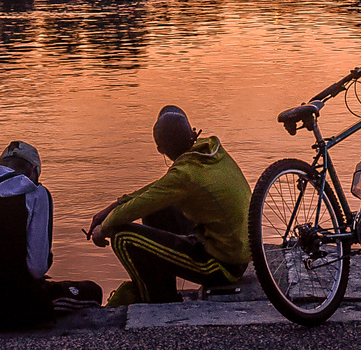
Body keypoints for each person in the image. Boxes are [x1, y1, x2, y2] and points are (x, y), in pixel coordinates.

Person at [89, 106, 252, 307]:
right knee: (158, 207)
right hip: (237, 252)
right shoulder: (209, 151)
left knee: (122, 236)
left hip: (223, 266)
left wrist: (103, 228)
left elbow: (137, 207)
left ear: (160, 149)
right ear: (193, 133)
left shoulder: (184, 176)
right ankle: (164, 290)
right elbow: (158, 190)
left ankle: (154, 299)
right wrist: (114, 205)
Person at [0, 141, 102, 329]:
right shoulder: (36, 193)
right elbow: (37, 268)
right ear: (33, 169)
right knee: (92, 291)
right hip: (15, 308)